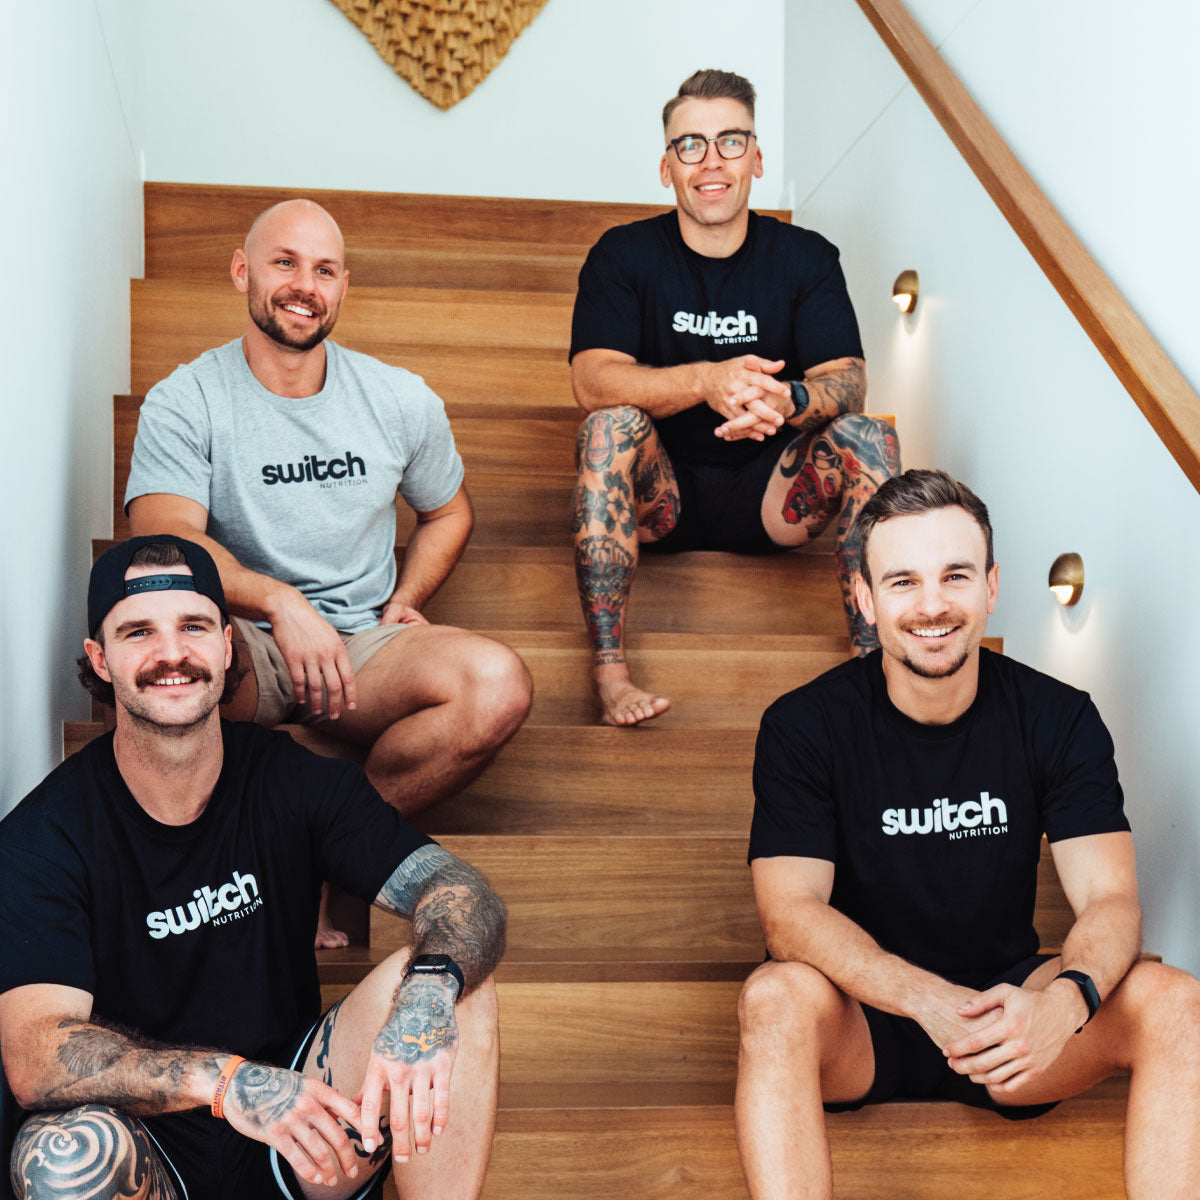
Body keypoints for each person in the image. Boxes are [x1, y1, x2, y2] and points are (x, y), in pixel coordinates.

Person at [736, 469, 1200, 1198]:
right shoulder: (804, 725)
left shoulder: (1059, 717)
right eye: (903, 582)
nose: (932, 605)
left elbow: (1111, 900)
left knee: (1175, 1000)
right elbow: (789, 915)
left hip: (1011, 1019)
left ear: (991, 586)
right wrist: (925, 999)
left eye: (955, 575)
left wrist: (1066, 1001)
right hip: (862, 1019)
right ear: (865, 599)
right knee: (773, 997)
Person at [0, 536, 505, 1200]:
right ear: (100, 658)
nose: (172, 653)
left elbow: (459, 890)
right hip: (150, 1144)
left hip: (304, 1122)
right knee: (58, 1159)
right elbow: (36, 1054)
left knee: (454, 983)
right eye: (138, 632)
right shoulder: (46, 835)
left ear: (227, 644)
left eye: (194, 626)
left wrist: (428, 993)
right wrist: (226, 1081)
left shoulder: (292, 780)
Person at [125, 198, 534, 944]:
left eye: (323, 270)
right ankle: (204, 889)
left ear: (343, 286)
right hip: (244, 637)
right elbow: (164, 539)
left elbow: (449, 512)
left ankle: (319, 855)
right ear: (242, 271)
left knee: (498, 683)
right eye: (284, 262)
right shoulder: (187, 400)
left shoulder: (398, 398)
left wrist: (408, 596)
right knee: (169, 664)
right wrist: (280, 604)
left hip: (361, 648)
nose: (304, 285)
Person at [569, 68, 900, 727]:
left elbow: (848, 382)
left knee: (872, 436)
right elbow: (592, 381)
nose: (711, 161)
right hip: (661, 496)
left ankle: (875, 675)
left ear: (756, 158)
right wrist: (707, 380)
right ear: (666, 166)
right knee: (608, 427)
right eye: (690, 144)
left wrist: (784, 399)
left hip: (772, 493)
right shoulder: (623, 255)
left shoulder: (806, 257)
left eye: (730, 140)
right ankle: (610, 676)